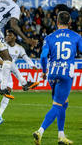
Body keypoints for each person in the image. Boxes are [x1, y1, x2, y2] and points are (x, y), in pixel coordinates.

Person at [33, 11, 82, 145]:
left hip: (52, 74)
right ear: (70, 22)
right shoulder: (76, 36)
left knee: (63, 103)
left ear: (57, 22)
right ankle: (40, 131)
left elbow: (43, 56)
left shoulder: (49, 37)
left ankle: (61, 136)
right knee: (58, 105)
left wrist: (43, 71)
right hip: (66, 74)